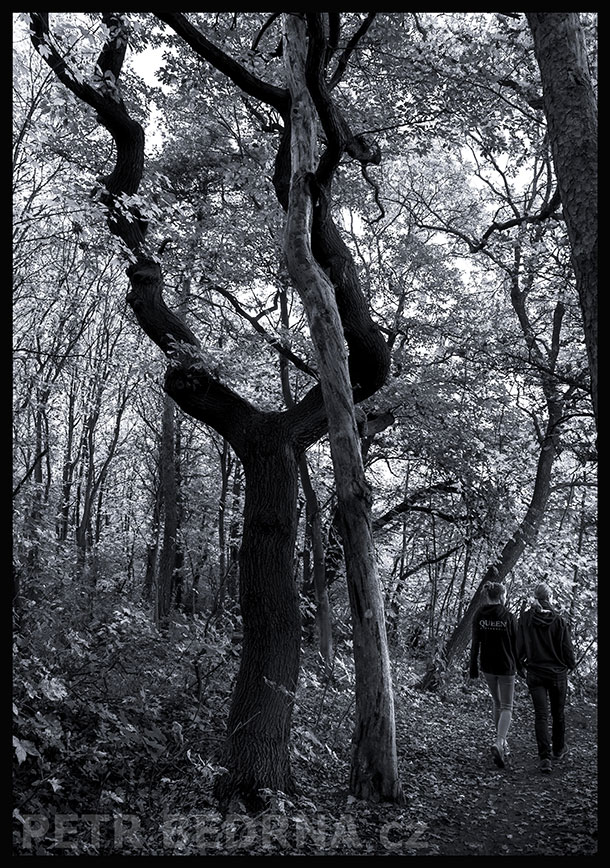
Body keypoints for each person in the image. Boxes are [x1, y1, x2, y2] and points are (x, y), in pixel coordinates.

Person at [517, 581, 576, 774]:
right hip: (557, 674)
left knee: (541, 715)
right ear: (549, 597)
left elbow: (519, 645)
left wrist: (520, 665)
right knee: (557, 714)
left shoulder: (526, 619)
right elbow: (567, 648)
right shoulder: (559, 620)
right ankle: (558, 750)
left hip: (535, 672)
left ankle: (545, 758)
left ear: (536, 597)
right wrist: (571, 665)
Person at [469, 581, 520, 769]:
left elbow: (475, 643)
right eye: (505, 595)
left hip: (487, 666)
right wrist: (520, 667)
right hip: (506, 666)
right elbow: (516, 645)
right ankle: (500, 742)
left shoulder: (479, 615)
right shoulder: (509, 616)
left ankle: (502, 741)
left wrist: (472, 666)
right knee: (507, 706)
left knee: (497, 703)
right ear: (501, 596)